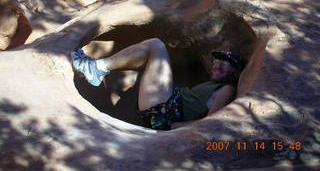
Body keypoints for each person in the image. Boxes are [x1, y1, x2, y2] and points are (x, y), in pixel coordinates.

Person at [71, 38, 246, 130]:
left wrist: (176, 128)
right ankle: (98, 68)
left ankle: (96, 69)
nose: (218, 64)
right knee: (148, 53)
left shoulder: (227, 89)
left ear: (236, 72)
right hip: (164, 106)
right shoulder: (212, 85)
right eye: (217, 60)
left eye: (226, 62)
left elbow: (211, 123)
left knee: (156, 45)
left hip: (165, 110)